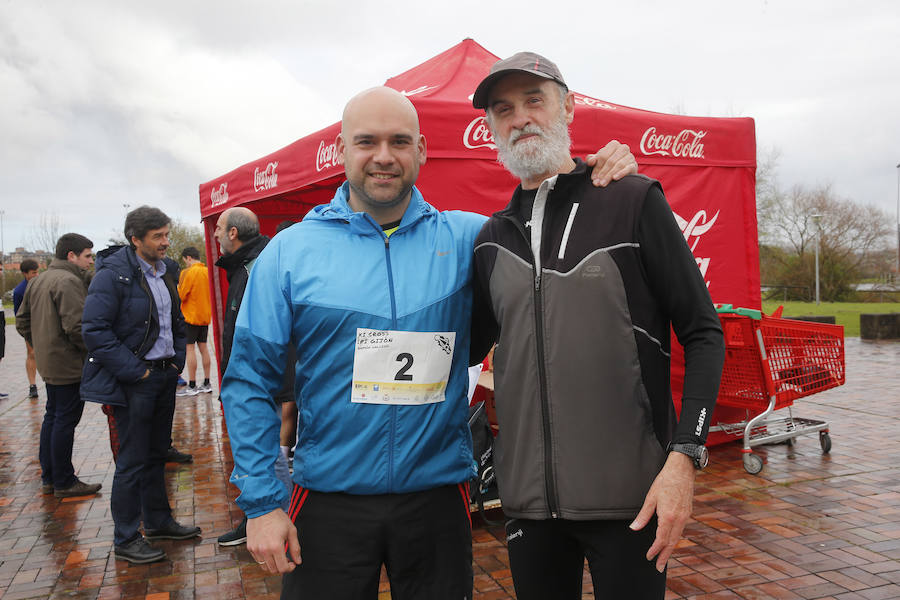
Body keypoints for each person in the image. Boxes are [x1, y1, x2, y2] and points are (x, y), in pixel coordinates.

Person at [220, 86, 637, 600]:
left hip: (437, 501)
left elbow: (549, 224)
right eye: (366, 141)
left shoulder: (469, 238)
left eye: (399, 142)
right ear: (343, 150)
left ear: (421, 150)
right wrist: (262, 504)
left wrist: (600, 177)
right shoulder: (290, 252)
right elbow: (247, 384)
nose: (383, 157)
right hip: (328, 501)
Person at [468, 52, 725, 600]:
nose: (520, 118)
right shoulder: (491, 239)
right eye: (503, 109)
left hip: (634, 499)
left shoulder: (633, 200)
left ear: (570, 108)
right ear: (491, 127)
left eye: (534, 100)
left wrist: (686, 456)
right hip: (528, 508)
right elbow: (464, 348)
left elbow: (703, 332)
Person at [81, 206, 200, 564]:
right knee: (132, 461)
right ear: (136, 239)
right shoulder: (112, 275)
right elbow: (95, 331)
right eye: (158, 237)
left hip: (164, 376)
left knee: (155, 455)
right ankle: (126, 537)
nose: (166, 242)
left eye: (167, 234)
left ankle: (159, 521)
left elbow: (175, 322)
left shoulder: (166, 272)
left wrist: (177, 358)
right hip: (136, 380)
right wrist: (137, 372)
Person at [213, 207, 293, 547]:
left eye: (219, 228)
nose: (215, 234)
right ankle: (261, 518)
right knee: (267, 452)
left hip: (264, 381)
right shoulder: (248, 265)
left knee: (268, 453)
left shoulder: (255, 268)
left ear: (233, 233)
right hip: (258, 379)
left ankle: (280, 522)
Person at [16, 233, 102, 498]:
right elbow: (78, 327)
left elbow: (22, 322)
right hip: (68, 364)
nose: (90, 261)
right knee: (64, 419)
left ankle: (51, 476)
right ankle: (64, 480)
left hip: (51, 362)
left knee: (53, 417)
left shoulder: (39, 279)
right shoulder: (67, 281)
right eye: (87, 256)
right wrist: (93, 353)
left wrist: (41, 345)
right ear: (71, 256)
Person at [176, 246, 212, 396]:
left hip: (190, 316)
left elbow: (182, 295)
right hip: (204, 316)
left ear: (188, 258)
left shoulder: (189, 272)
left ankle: (192, 384)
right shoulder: (207, 271)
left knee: (190, 349)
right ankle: (207, 381)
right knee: (204, 348)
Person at [13, 259, 40, 399]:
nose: (36, 275)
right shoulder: (19, 291)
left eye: (37, 272)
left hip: (44, 325)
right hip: (30, 327)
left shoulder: (42, 285)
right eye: (33, 273)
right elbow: (18, 315)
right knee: (32, 353)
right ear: (25, 274)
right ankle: (32, 385)